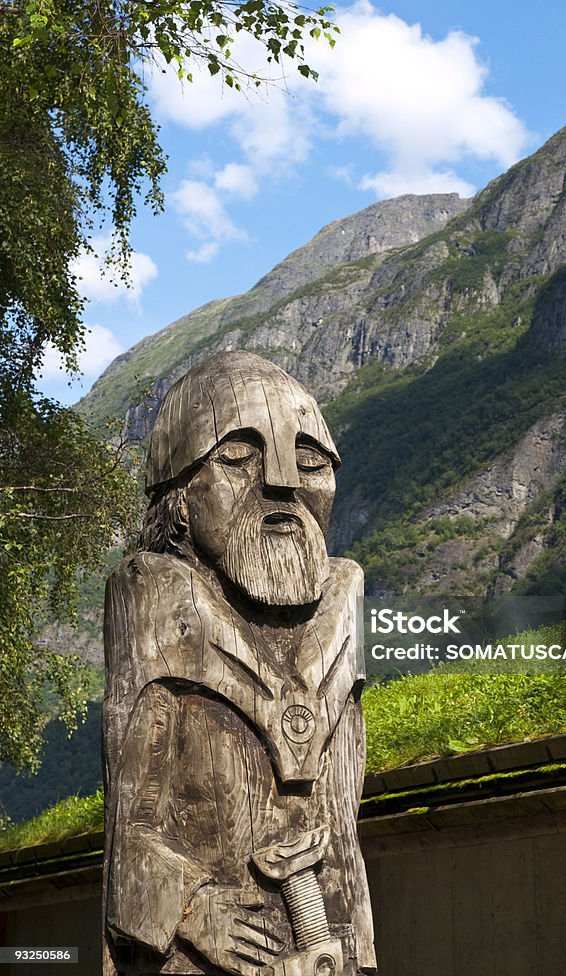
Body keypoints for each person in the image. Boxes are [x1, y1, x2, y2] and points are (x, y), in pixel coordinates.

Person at [103, 352, 376, 976]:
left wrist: (357, 942)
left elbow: (344, 825)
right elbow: (130, 835)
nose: (283, 482)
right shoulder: (156, 603)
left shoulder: (342, 606)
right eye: (236, 457)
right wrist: (192, 909)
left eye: (310, 461)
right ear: (179, 496)